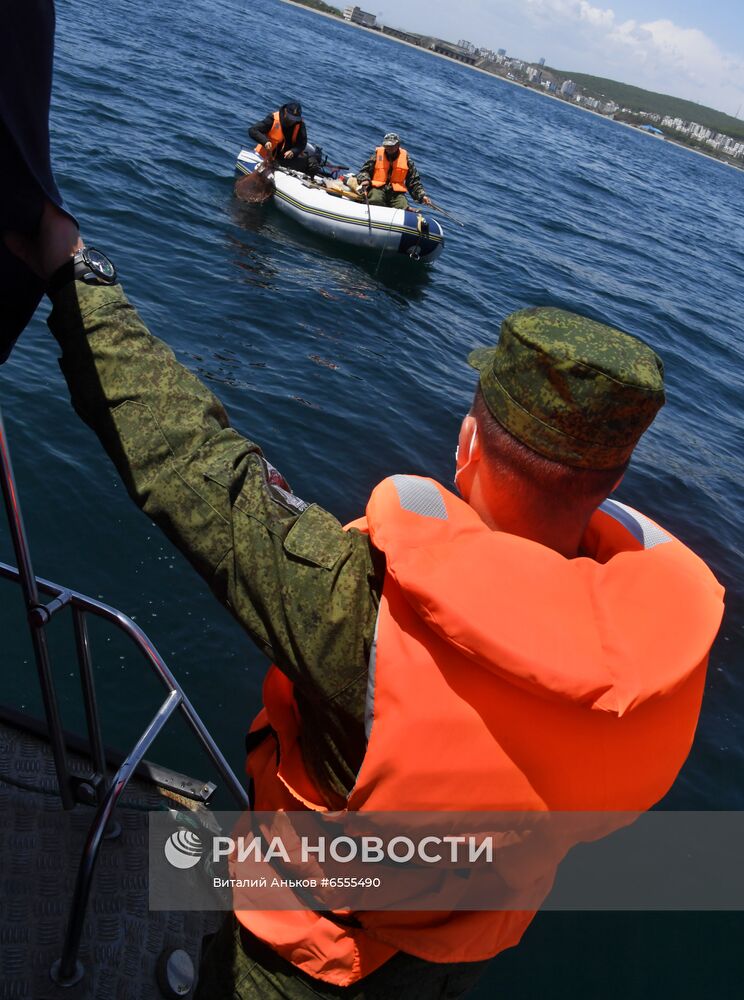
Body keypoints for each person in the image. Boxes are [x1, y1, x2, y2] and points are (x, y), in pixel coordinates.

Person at [4, 201, 725, 999]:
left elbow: (186, 460)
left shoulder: (358, 610)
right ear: (613, 482)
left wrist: (77, 273)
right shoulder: (663, 668)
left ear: (468, 443)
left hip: (304, 960)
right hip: (450, 958)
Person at [357, 132, 432, 210]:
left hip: (395, 193)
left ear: (398, 145)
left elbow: (413, 182)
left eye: (391, 146)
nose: (389, 148)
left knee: (402, 205)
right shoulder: (377, 156)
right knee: (376, 199)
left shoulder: (407, 161)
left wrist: (422, 196)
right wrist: (365, 180)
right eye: (386, 146)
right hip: (377, 188)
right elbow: (364, 171)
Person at [248, 101, 319, 176]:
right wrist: (265, 142)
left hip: (283, 161)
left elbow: (302, 143)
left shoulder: (300, 124)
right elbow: (253, 130)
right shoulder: (273, 118)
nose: (293, 121)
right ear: (285, 111)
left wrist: (293, 151)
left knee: (312, 161)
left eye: (295, 119)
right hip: (264, 158)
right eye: (291, 118)